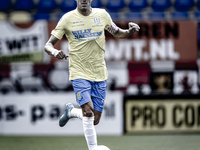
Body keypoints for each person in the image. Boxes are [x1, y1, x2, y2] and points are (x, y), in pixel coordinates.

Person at [44, 0, 140, 150]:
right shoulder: (67, 18)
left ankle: (71, 112)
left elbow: (116, 32)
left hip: (99, 72)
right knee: (88, 112)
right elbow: (48, 45)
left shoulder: (102, 15)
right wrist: (55, 52)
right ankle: (93, 148)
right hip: (79, 71)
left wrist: (129, 32)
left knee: (94, 119)